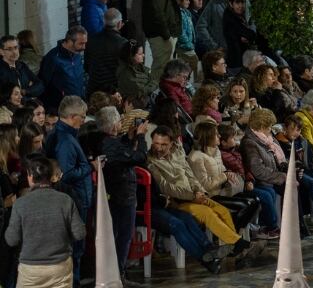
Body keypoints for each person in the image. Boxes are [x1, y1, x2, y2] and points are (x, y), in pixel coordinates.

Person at [146, 127, 252, 257]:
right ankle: (238, 245)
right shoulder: (150, 161)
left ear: (172, 143)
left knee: (223, 211)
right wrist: (192, 197)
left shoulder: (177, 154)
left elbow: (190, 175)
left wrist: (200, 192)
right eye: (156, 143)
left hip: (194, 195)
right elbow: (165, 187)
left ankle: (234, 247)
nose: (159, 148)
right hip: (177, 201)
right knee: (207, 213)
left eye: (164, 144)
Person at [5, 154, 85, 288]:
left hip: (31, 272)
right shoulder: (65, 200)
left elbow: (11, 239)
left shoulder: (21, 204)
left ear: (30, 177)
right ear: (50, 176)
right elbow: (80, 233)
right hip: (60, 268)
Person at [96, 105, 149, 278]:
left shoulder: (106, 141)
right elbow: (139, 157)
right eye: (119, 120)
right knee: (123, 236)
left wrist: (129, 137)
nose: (121, 123)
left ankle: (118, 274)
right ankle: (118, 275)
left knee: (121, 235)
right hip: (122, 196)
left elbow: (121, 150)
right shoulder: (109, 145)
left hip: (119, 194)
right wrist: (141, 137)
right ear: (112, 126)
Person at [141, 0, 182, 82]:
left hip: (169, 33)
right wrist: (167, 35)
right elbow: (158, 14)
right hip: (160, 35)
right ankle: (155, 93)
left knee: (167, 66)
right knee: (160, 67)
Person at [38, 27, 87, 110]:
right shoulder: (53, 58)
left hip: (78, 105)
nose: (84, 47)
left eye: (85, 43)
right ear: (70, 41)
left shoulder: (77, 55)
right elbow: (43, 83)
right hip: (60, 108)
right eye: (81, 43)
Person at [84, 8, 129, 95]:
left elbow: (87, 66)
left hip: (93, 90)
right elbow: (125, 71)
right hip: (113, 91)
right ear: (119, 23)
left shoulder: (91, 40)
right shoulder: (123, 43)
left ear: (104, 22)